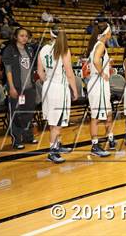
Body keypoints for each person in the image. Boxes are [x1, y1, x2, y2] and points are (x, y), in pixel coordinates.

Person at [37, 25, 78, 163]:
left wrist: (48, 81)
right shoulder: (64, 50)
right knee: (57, 123)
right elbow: (70, 73)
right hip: (59, 88)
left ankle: (57, 145)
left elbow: (39, 72)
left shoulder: (43, 49)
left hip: (48, 86)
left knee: (53, 120)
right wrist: (75, 90)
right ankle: (51, 151)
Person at [2, 28, 38, 149]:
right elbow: (8, 70)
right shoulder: (9, 50)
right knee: (16, 114)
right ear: (16, 37)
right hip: (16, 88)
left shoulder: (29, 49)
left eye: (26, 36)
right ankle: (16, 139)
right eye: (22, 36)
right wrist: (11, 87)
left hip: (29, 87)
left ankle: (28, 136)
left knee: (28, 112)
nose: (24, 38)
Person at [86, 24, 114, 157]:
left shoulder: (98, 45)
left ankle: (110, 137)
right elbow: (97, 61)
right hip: (98, 83)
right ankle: (95, 145)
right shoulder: (101, 45)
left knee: (108, 112)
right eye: (110, 32)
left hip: (98, 84)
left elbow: (97, 60)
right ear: (106, 33)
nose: (111, 34)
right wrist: (103, 73)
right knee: (96, 117)